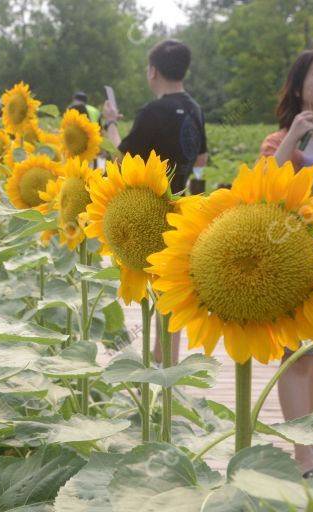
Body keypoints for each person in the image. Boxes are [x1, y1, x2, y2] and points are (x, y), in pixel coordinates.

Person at [103, 39, 209, 365]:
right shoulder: (195, 108)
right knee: (172, 290)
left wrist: (110, 123)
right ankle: (168, 360)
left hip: (148, 211)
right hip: (181, 207)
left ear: (153, 71)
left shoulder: (153, 111)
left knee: (158, 292)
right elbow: (202, 156)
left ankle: (160, 363)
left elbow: (123, 158)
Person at [259, 44, 313, 478]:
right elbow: (265, 188)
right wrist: (293, 136)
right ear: (300, 85)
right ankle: (301, 455)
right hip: (295, 259)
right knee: (296, 357)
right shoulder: (280, 140)